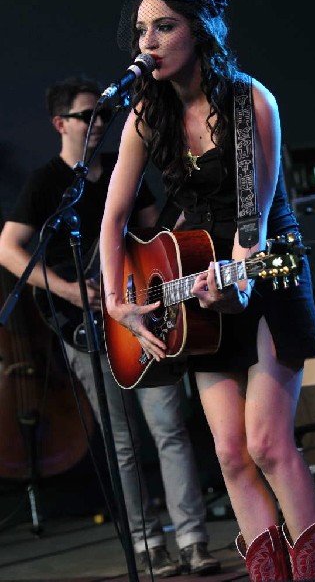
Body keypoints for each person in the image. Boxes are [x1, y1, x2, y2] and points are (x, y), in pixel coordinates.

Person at [99, 0, 315, 581]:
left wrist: (235, 280)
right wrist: (116, 301)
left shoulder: (249, 101)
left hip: (262, 266)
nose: (147, 43)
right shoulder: (145, 116)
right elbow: (113, 220)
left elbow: (252, 222)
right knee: (230, 454)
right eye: (140, 32)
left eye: (164, 28)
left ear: (201, 29)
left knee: (267, 444)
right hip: (195, 278)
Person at [0, 75, 220, 577]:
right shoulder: (46, 183)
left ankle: (192, 540)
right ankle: (147, 545)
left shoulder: (128, 173)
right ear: (61, 124)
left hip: (142, 319)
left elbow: (150, 237)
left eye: (104, 114)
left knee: (170, 429)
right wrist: (70, 290)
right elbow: (7, 249)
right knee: (121, 442)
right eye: (88, 115)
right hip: (85, 329)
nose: (100, 122)